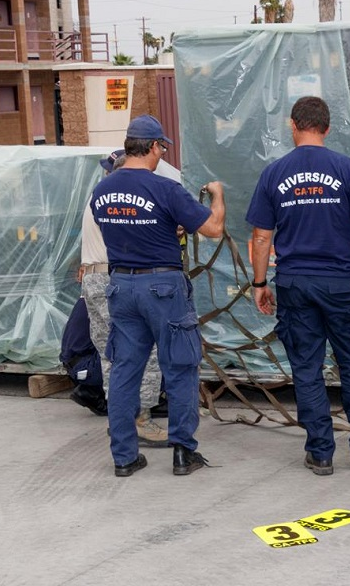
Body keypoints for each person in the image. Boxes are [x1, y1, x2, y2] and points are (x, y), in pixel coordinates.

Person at [246, 96, 350, 477]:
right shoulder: (345, 169)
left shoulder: (274, 173)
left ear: (292, 125)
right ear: (327, 128)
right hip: (339, 283)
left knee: (306, 367)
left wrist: (260, 283)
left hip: (295, 284)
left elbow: (261, 237)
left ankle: (320, 453)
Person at [91, 114, 225, 477]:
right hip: (163, 287)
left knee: (124, 371)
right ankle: (183, 452)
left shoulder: (102, 190)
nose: (162, 154)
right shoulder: (166, 189)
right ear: (153, 146)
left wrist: (166, 227)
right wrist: (217, 195)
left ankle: (124, 457)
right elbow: (213, 228)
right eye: (162, 148)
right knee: (179, 367)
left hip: (121, 285)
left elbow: (121, 228)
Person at [76, 149, 168, 447]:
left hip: (93, 278)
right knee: (143, 349)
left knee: (110, 353)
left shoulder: (96, 197)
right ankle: (140, 420)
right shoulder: (119, 202)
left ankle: (120, 420)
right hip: (114, 279)